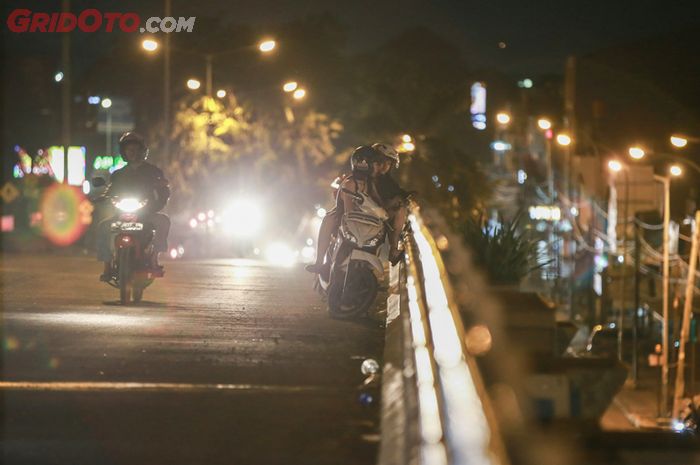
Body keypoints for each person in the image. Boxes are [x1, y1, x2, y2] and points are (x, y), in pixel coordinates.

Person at [96, 132, 171, 281]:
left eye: (136, 149)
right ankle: (106, 264)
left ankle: (154, 258)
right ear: (124, 152)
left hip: (146, 214)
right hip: (121, 214)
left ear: (142, 151)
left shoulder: (153, 171)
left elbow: (164, 192)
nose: (132, 153)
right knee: (103, 226)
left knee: (164, 221)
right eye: (129, 150)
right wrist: (103, 196)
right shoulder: (118, 174)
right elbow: (109, 191)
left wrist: (156, 205)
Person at [305, 145, 384, 274]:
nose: (378, 167)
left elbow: (378, 202)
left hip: (367, 221)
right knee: (328, 220)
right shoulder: (350, 183)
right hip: (345, 219)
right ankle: (320, 262)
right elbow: (349, 211)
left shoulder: (372, 184)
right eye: (375, 163)